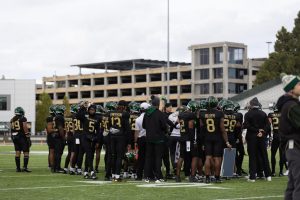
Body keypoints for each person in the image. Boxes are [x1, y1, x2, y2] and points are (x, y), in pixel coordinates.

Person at [276, 73, 300, 199]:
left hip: (291, 146)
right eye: (298, 84)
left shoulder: (289, 104)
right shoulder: (292, 105)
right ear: (291, 88)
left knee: (292, 184)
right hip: (295, 146)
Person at [199, 96, 231, 183]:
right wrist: (227, 142)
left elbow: (201, 128)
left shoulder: (201, 113)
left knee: (208, 157)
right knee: (217, 158)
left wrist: (201, 142)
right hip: (217, 138)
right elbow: (222, 129)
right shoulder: (219, 113)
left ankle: (207, 177)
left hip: (207, 138)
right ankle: (217, 177)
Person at [244, 97, 271, 182]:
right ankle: (268, 175)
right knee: (264, 156)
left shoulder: (247, 114)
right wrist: (262, 132)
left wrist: (257, 130)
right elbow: (268, 125)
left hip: (252, 137)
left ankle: (252, 177)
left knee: (252, 156)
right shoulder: (263, 113)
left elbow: (247, 126)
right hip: (261, 137)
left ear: (251, 105)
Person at [143, 95, 167, 183]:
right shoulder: (159, 113)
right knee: (158, 158)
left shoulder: (146, 113)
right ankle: (158, 177)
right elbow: (164, 126)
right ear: (158, 104)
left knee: (148, 158)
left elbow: (143, 126)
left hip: (149, 138)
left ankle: (147, 176)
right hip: (159, 139)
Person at [108, 100, 131, 182]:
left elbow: (109, 125)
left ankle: (113, 175)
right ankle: (117, 176)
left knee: (113, 156)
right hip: (121, 137)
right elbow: (128, 129)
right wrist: (129, 141)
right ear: (124, 106)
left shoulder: (110, 113)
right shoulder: (125, 114)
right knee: (119, 157)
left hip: (112, 136)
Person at [10, 107, 31, 172]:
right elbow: (25, 127)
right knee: (26, 152)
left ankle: (18, 168)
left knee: (17, 152)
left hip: (14, 137)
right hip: (21, 137)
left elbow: (12, 129)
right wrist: (28, 136)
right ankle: (25, 167)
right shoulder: (23, 118)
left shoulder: (12, 119)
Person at [134, 102, 150, 180]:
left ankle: (139, 175)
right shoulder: (150, 118)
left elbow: (136, 133)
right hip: (148, 139)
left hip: (140, 139)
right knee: (149, 158)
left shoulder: (137, 119)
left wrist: (135, 142)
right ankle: (148, 174)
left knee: (140, 158)